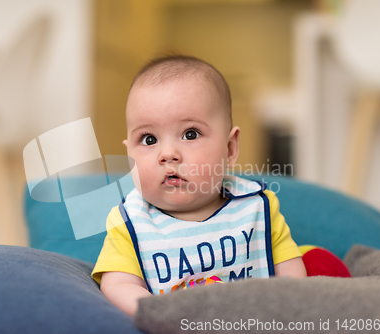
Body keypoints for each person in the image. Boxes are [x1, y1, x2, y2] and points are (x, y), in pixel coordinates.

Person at [91, 55, 307, 316]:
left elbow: (291, 274)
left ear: (229, 148)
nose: (168, 154)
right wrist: (160, 314)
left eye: (190, 134)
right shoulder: (130, 222)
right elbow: (119, 285)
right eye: (149, 139)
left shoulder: (257, 207)